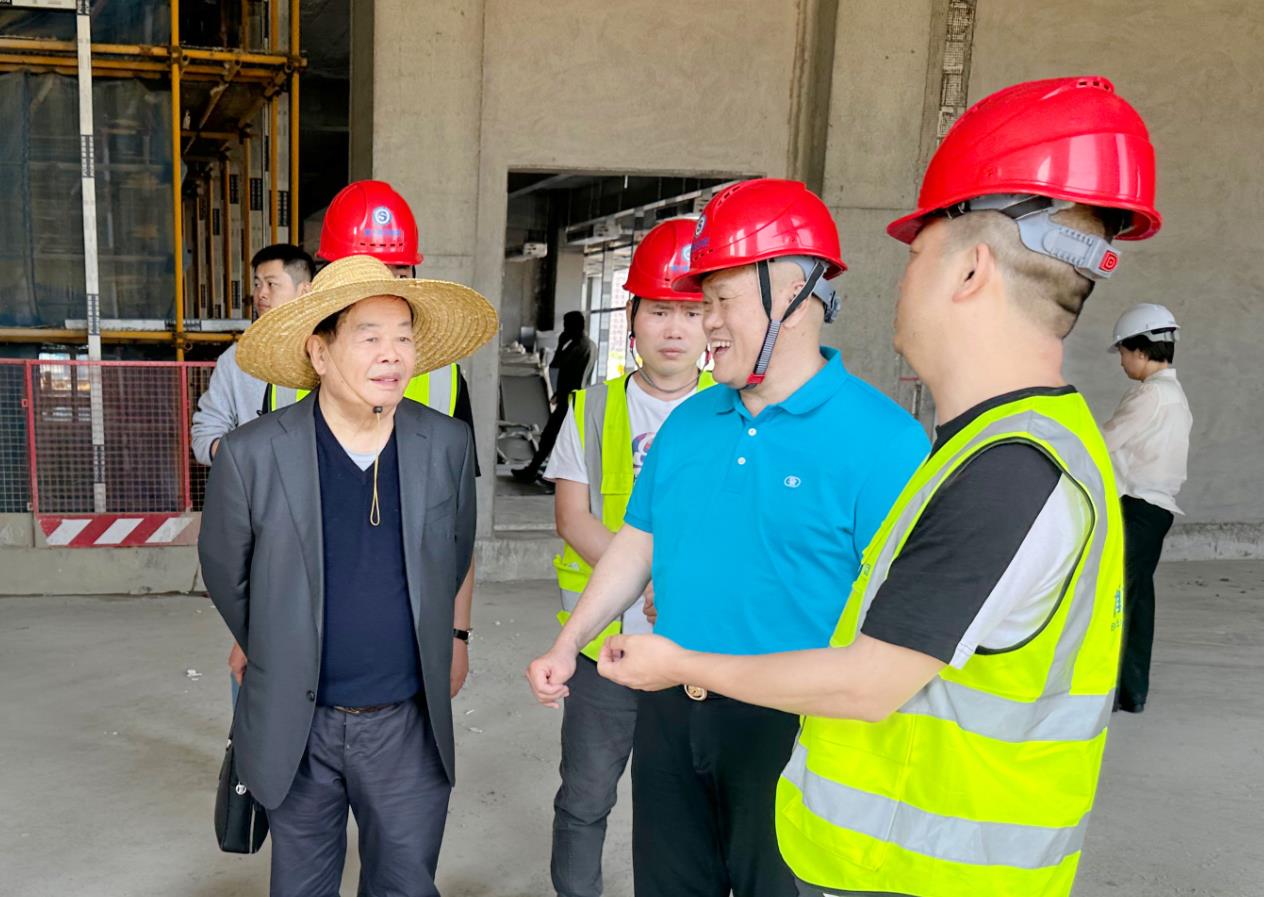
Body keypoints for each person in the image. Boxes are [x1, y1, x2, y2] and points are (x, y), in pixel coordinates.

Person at [596, 76, 1162, 897]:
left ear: (970, 270)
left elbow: (867, 683)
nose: (900, 282)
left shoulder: (1010, 472)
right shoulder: (1010, 447)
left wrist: (681, 660)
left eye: (915, 255)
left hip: (930, 873)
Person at [528, 178, 929, 897]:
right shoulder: (692, 420)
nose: (705, 323)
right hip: (669, 708)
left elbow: (896, 634)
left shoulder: (887, 442)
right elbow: (637, 544)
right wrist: (570, 640)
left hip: (796, 726)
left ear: (796, 295)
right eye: (699, 302)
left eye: (720, 300)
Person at [199, 254, 497, 897]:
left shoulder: (445, 445)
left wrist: (455, 636)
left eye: (404, 338)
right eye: (369, 337)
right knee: (302, 885)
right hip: (298, 720)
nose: (392, 355)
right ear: (320, 352)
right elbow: (227, 572)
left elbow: (454, 550)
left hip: (407, 720)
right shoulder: (254, 453)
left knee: (405, 882)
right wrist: (273, 644)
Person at [233, 179, 482, 700]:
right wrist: (246, 631)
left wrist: (457, 634)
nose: (381, 288)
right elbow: (260, 528)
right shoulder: (286, 382)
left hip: (404, 632)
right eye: (361, 272)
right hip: (299, 627)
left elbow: (456, 533)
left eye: (397, 274)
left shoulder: (445, 381)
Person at [544, 218, 713, 897]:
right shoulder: (591, 408)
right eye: (660, 310)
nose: (675, 329)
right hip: (603, 652)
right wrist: (643, 576)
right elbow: (571, 516)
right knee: (585, 797)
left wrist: (677, 582)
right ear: (632, 318)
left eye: (692, 312)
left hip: (700, 652)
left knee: (684, 811)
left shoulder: (732, 411)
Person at [1103, 303, 1192, 713]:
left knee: (1117, 600)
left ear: (1140, 350)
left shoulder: (1151, 395)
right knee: (1137, 601)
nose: (1122, 361)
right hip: (1153, 512)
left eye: (1123, 352)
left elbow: (1104, 443)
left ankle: (1109, 689)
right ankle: (1131, 691)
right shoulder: (1173, 395)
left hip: (1136, 510)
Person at [190, 243, 314, 466]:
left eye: (271, 284)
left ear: (304, 290)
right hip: (257, 484)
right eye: (257, 284)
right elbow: (206, 434)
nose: (261, 294)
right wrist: (244, 459)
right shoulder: (236, 358)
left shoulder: (327, 351)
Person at [513, 310, 597, 483]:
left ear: (574, 326)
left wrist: (560, 345)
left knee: (551, 437)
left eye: (567, 326)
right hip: (575, 398)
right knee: (555, 437)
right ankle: (537, 470)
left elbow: (557, 364)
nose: (564, 329)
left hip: (571, 400)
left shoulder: (578, 347)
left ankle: (535, 471)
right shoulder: (590, 345)